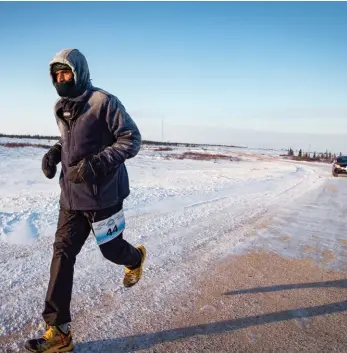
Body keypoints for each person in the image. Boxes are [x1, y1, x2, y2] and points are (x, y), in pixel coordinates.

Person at [24, 48, 146, 353]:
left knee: (111, 250)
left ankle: (135, 259)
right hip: (71, 198)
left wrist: (96, 163)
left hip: (103, 196)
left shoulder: (103, 102)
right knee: (62, 255)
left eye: (66, 73)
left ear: (79, 72)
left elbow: (131, 139)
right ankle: (59, 331)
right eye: (56, 75)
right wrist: (54, 153)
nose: (60, 79)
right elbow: (70, 141)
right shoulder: (60, 107)